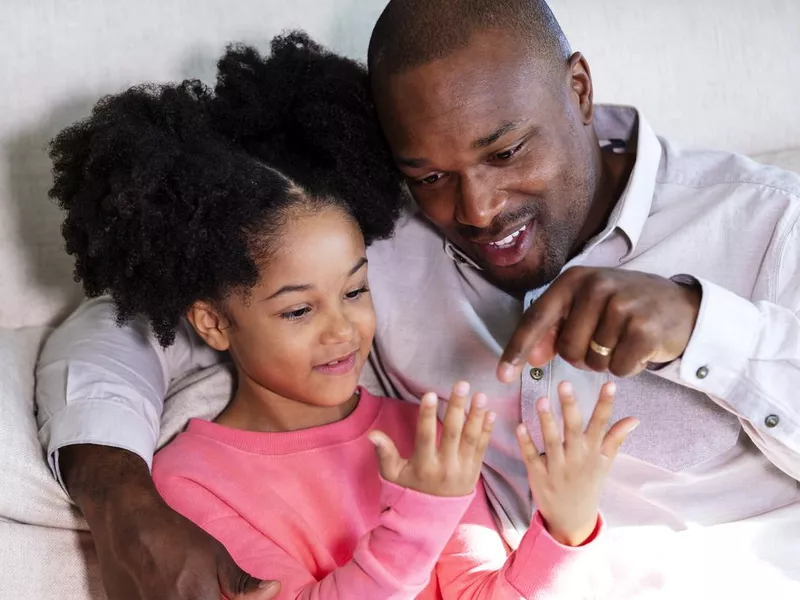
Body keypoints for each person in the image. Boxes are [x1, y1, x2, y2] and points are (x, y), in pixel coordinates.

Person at [36, 1, 800, 599]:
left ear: (579, 89)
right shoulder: (374, 241)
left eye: (506, 151)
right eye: (431, 174)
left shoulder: (766, 220)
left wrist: (704, 329)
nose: (477, 208)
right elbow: (124, 319)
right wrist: (118, 498)